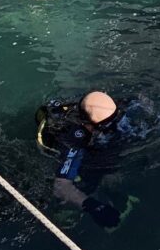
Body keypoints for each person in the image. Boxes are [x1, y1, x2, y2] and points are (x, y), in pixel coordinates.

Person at [36, 91, 123, 228]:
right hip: (73, 161)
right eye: (107, 127)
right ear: (87, 125)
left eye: (116, 119)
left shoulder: (105, 111)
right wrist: (94, 207)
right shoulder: (74, 143)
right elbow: (61, 187)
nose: (114, 127)